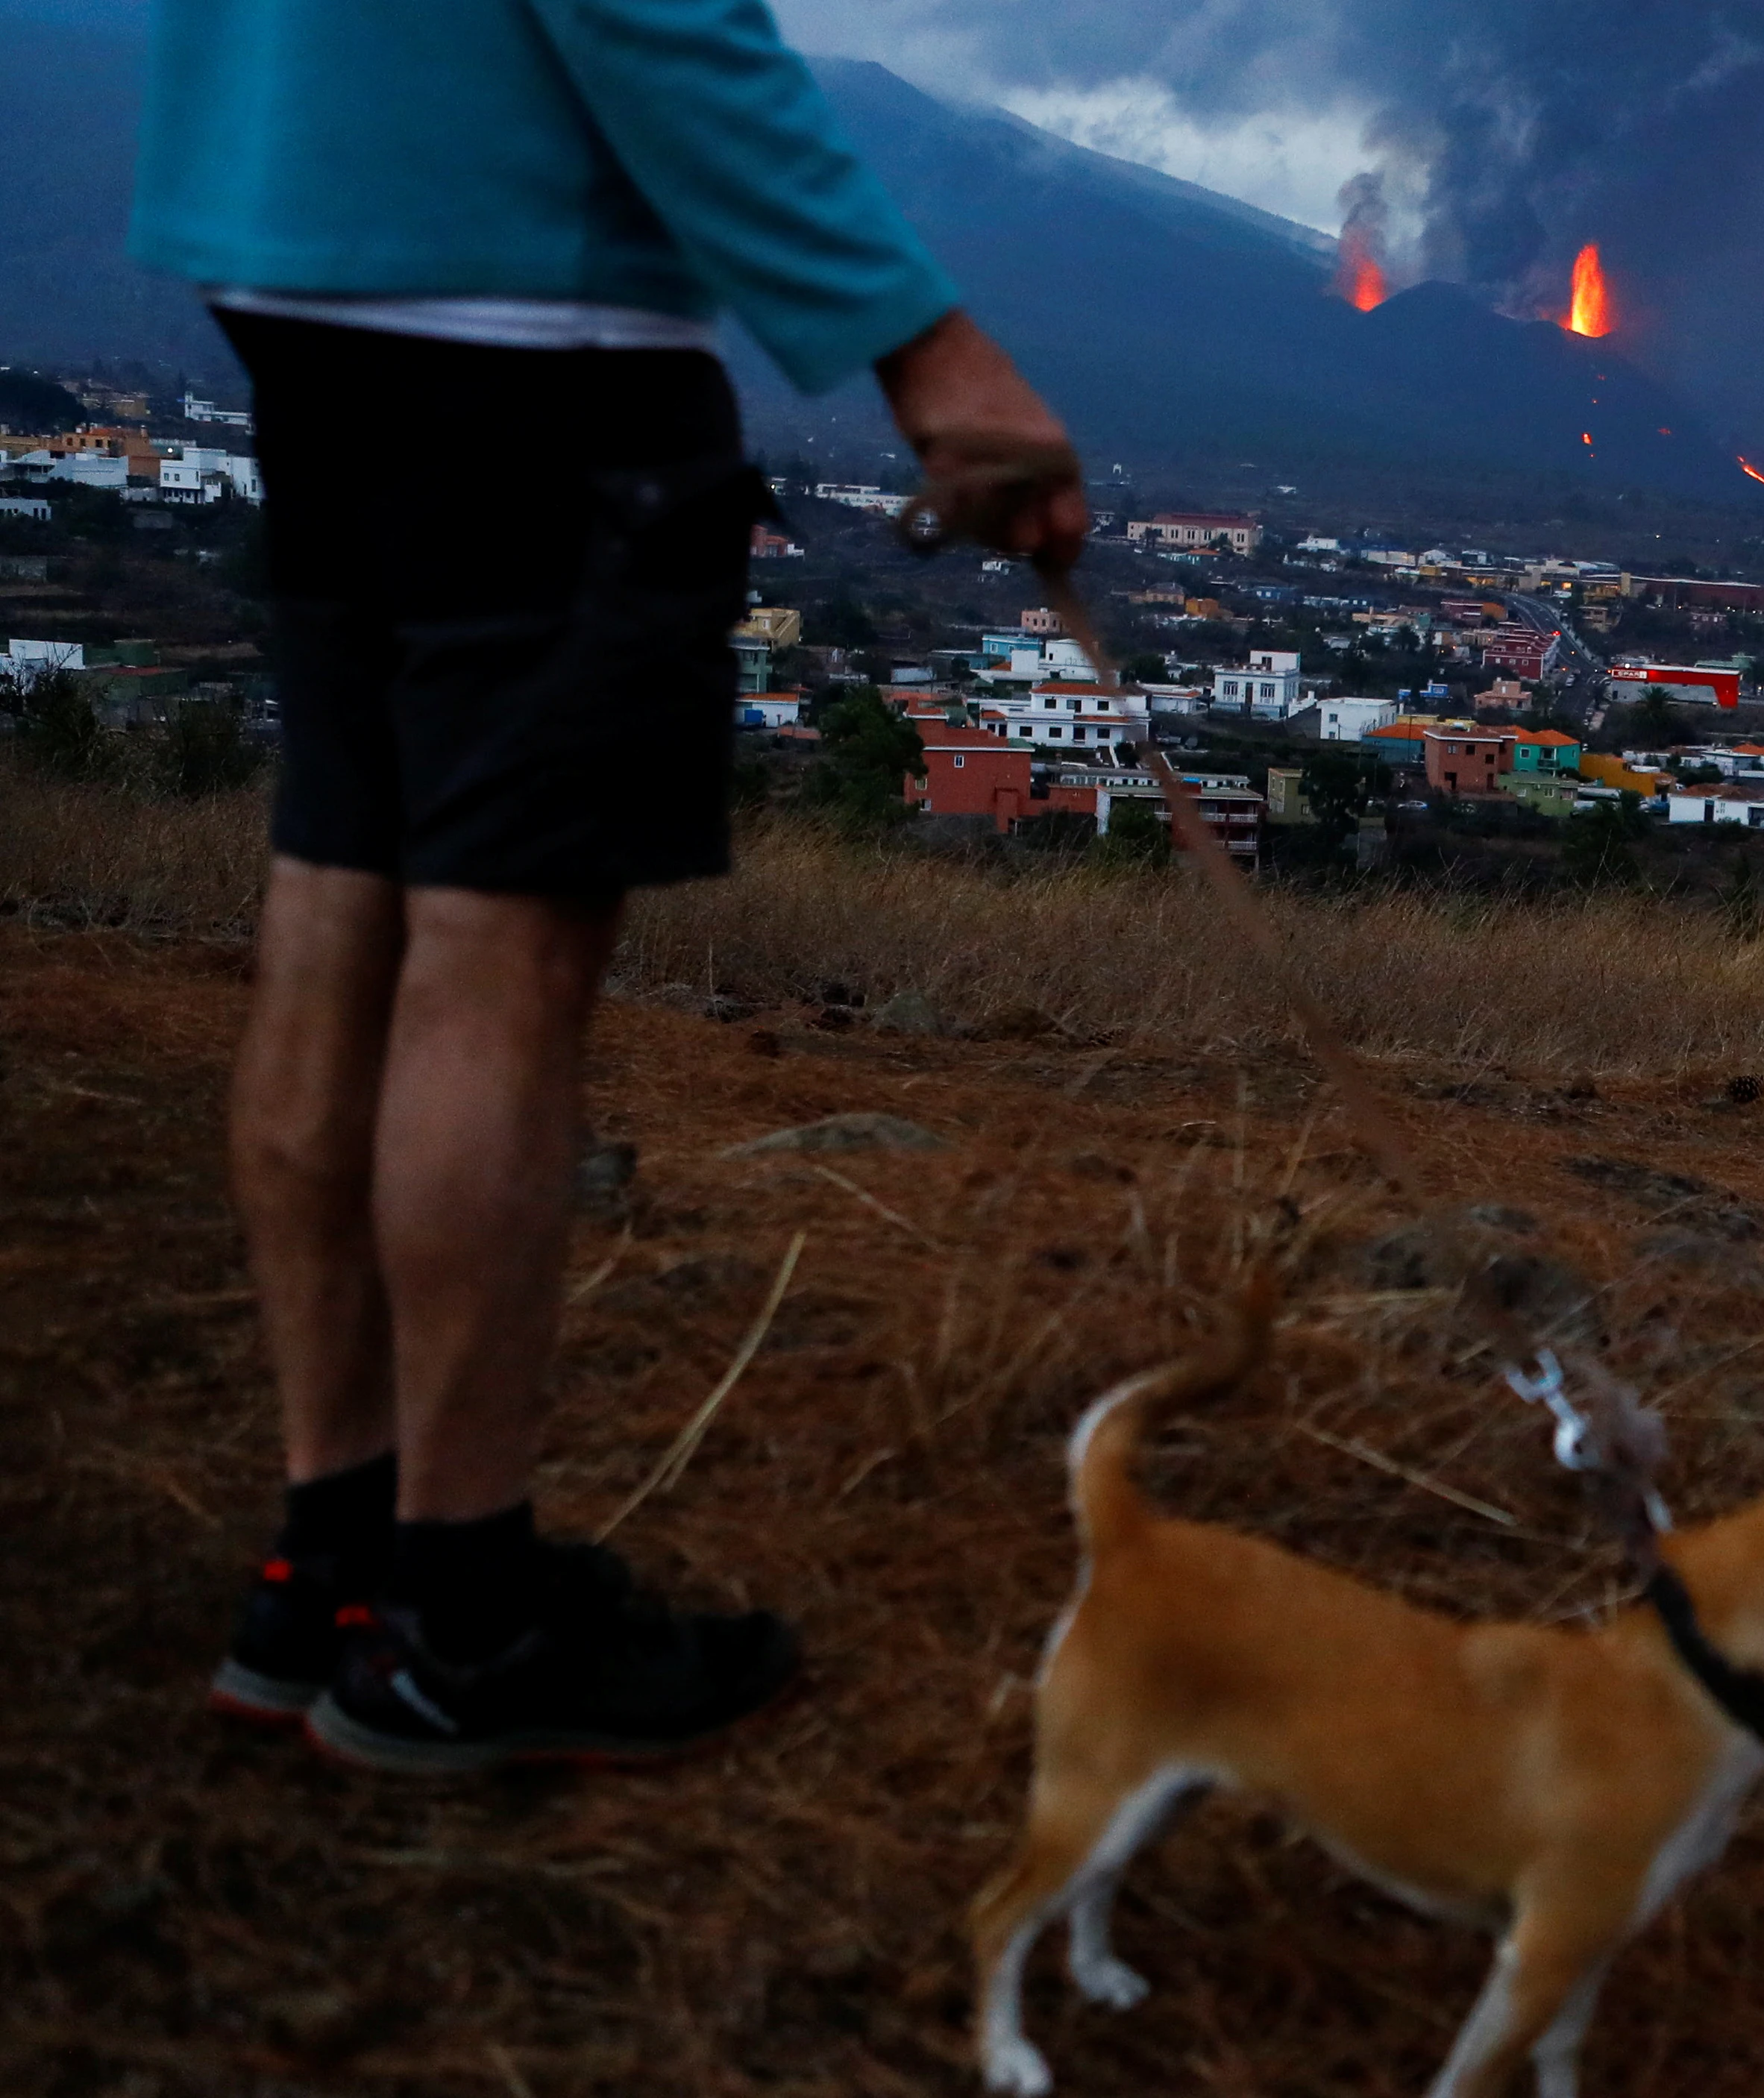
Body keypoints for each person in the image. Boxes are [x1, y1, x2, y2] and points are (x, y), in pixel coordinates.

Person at [132, 0, 1087, 1774]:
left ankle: (326, 1564)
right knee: (496, 951)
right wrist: (921, 340)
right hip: (527, 312)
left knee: (344, 881)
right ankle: (463, 1621)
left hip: (283, 256)